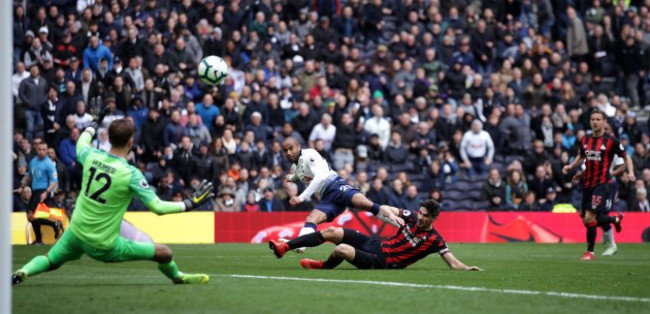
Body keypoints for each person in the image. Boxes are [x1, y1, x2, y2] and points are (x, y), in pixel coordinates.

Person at [12, 109, 217, 286]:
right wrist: (189, 203)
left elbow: (83, 140)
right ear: (130, 141)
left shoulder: (91, 156)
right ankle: (178, 278)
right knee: (164, 253)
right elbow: (158, 207)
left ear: (108, 139)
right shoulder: (131, 174)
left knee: (50, 260)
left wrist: (95, 120)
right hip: (103, 245)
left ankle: (23, 272)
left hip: (76, 232)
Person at [269, 200, 483, 271]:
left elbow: (453, 263)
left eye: (425, 216)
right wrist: (393, 215)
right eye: (421, 213)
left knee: (340, 249)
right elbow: (386, 207)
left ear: (434, 219)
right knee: (331, 231)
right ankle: (284, 247)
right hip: (376, 244)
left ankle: (323, 266)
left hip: (382, 261)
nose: (420, 218)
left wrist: (467, 268)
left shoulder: (435, 240)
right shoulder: (411, 216)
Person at [281, 137, 398, 253]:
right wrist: (291, 178)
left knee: (365, 204)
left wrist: (301, 197)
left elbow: (320, 177)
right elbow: (298, 173)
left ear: (299, 147)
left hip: (335, 185)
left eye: (291, 149)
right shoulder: (295, 167)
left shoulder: (309, 154)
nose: (289, 153)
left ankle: (403, 226)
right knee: (312, 219)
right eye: (285, 150)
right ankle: (300, 245)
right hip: (327, 197)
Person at [562, 109, 636, 261]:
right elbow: (582, 156)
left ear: (604, 122)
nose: (595, 122)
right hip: (587, 183)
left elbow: (626, 157)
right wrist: (572, 166)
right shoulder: (585, 139)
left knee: (590, 217)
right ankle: (615, 219)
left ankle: (590, 252)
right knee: (585, 218)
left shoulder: (611, 141)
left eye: (598, 119)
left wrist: (631, 173)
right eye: (592, 119)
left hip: (603, 184)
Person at [15, 141, 59, 245]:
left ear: (46, 150)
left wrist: (46, 192)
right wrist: (22, 186)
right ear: (36, 149)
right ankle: (53, 225)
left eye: (44, 150)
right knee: (30, 217)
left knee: (31, 215)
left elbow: (54, 181)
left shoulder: (49, 163)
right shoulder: (33, 162)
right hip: (34, 191)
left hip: (43, 191)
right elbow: (29, 176)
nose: (42, 152)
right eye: (40, 149)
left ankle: (39, 240)